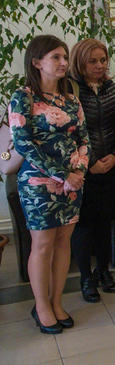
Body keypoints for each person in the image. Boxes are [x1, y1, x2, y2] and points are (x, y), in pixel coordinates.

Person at [10, 35, 90, 334]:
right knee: (42, 245)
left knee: (62, 243)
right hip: (39, 183)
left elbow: (84, 138)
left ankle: (56, 302)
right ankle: (41, 306)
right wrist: (62, 175)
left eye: (64, 57)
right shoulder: (23, 96)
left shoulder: (70, 98)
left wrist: (78, 171)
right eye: (55, 57)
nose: (63, 62)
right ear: (36, 62)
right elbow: (23, 144)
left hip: (72, 183)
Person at [68, 38, 115, 304]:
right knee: (83, 226)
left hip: (110, 167)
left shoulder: (111, 89)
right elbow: (71, 131)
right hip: (83, 170)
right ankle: (86, 278)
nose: (99, 66)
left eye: (102, 60)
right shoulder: (70, 90)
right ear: (80, 62)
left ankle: (103, 271)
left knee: (105, 222)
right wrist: (90, 161)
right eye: (92, 61)